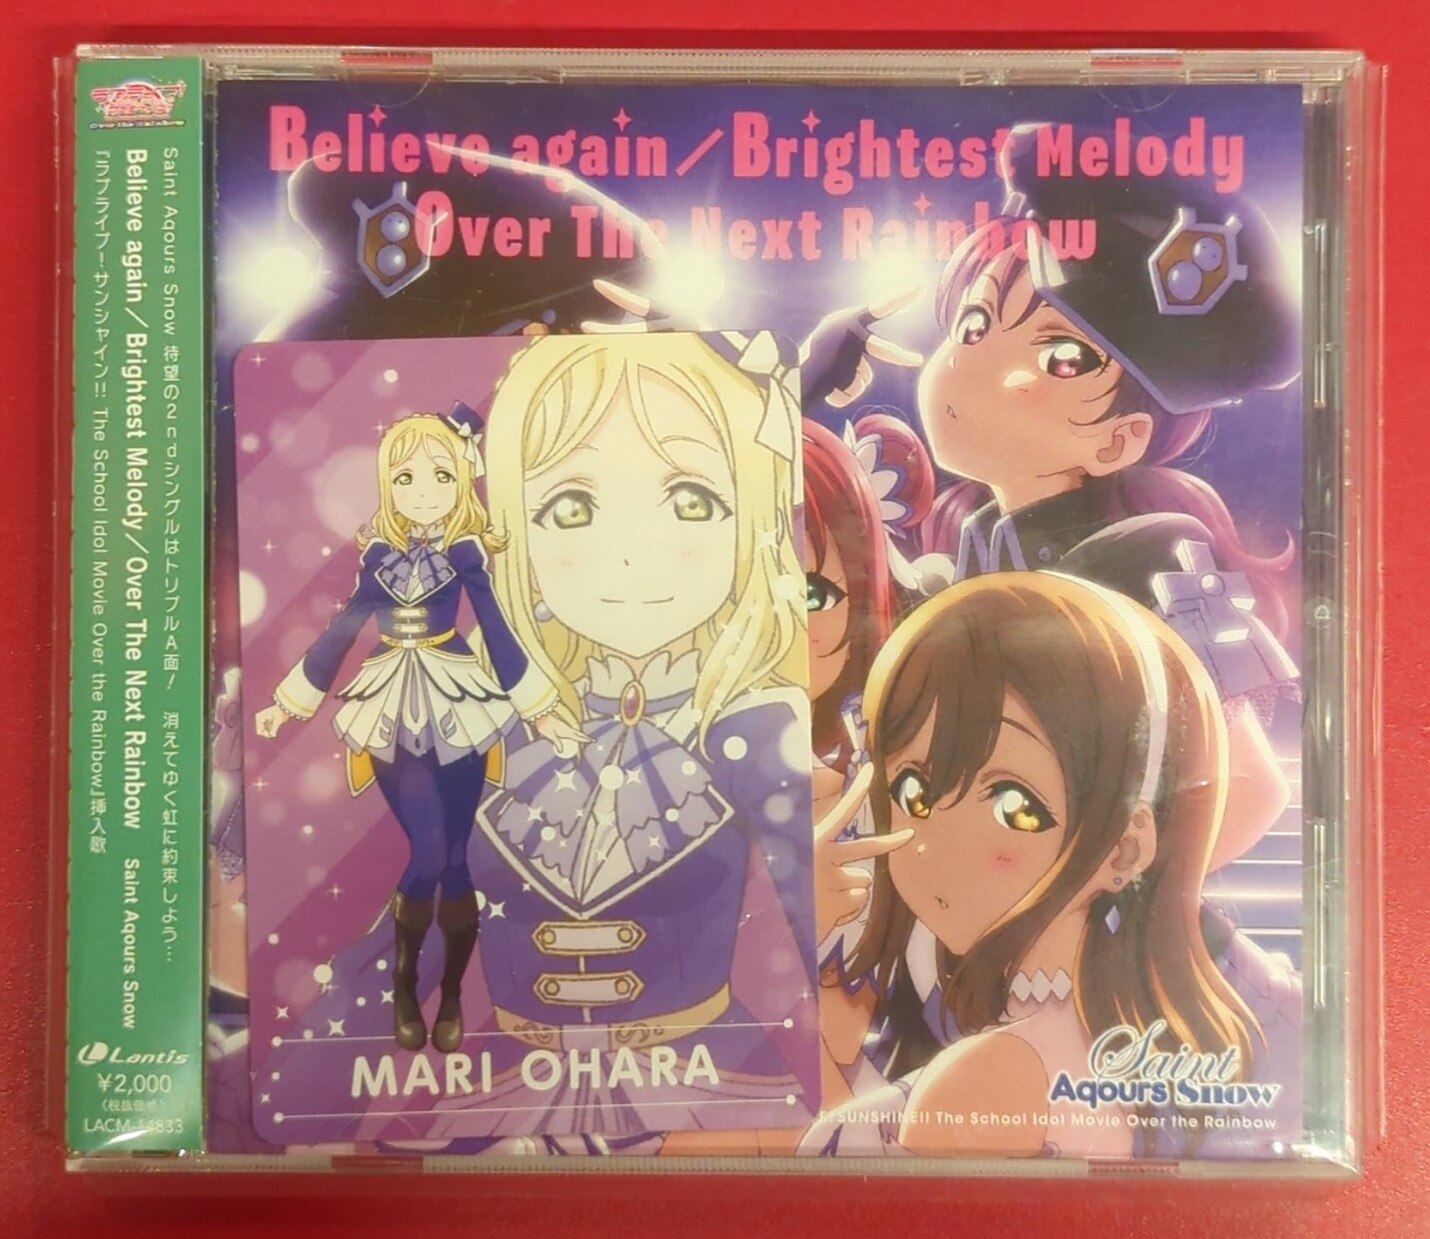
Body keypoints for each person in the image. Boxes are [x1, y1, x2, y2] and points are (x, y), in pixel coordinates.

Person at [803, 573, 1295, 1160]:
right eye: (913, 791)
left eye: (1014, 806)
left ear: (1126, 848)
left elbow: (814, 1173)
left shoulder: (995, 1073)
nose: (936, 841)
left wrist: (784, 949)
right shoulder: (1133, 1027)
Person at [254, 409, 582, 1054]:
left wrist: (541, 711)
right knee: (429, 852)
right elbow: (344, 628)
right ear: (388, 484)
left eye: (441, 475)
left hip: (459, 698)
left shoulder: (466, 552)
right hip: (390, 700)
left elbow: (497, 627)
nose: (424, 491)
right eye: (406, 477)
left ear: (462, 478)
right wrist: (289, 704)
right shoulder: (379, 555)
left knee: (456, 861)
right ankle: (405, 988)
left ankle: (451, 994)